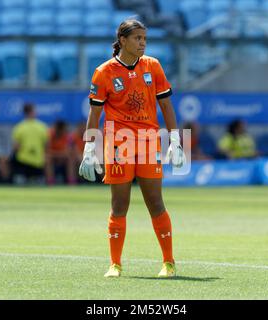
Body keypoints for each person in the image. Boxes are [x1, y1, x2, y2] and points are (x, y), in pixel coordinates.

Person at [78, 20, 186, 278]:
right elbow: (95, 114)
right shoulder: (103, 72)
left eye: (144, 38)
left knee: (156, 202)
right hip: (118, 142)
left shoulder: (153, 66)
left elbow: (167, 107)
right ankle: (115, 264)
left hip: (148, 140)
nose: (142, 43)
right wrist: (89, 149)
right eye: (137, 38)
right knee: (119, 204)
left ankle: (168, 262)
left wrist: (175, 140)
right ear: (122, 40)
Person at [11, 103, 48, 183]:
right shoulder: (42, 126)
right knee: (38, 185)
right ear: (32, 111)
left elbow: (15, 147)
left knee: (20, 182)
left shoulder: (19, 127)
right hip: (38, 162)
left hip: (23, 161)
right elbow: (46, 145)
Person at [46, 120, 80, 185]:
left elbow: (68, 151)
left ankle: (71, 180)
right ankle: (50, 180)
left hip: (62, 157)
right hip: (54, 157)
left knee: (71, 159)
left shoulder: (67, 136)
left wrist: (59, 154)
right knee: (47, 159)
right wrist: (58, 154)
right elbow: (47, 151)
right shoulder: (49, 135)